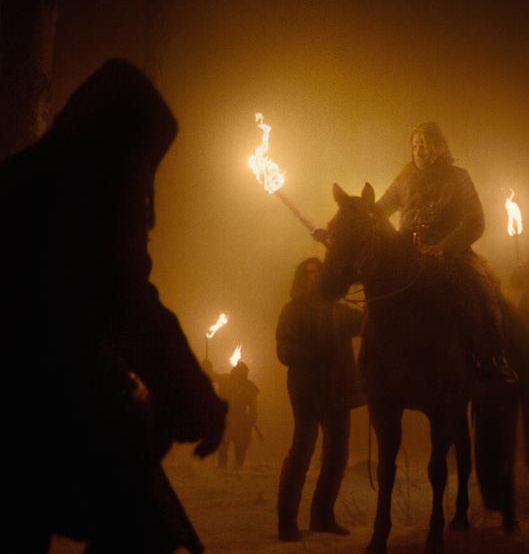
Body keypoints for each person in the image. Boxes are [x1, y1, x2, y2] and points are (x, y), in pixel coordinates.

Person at [3, 60, 227, 553]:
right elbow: (128, 302)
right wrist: (193, 396)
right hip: (42, 409)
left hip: (29, 409)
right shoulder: (96, 192)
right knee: (138, 526)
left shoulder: (22, 177)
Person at [375, 121, 516, 381]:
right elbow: (379, 210)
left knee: (483, 290)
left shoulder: (458, 177)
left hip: (452, 255)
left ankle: (494, 358)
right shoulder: (404, 177)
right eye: (415, 145)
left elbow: (474, 220)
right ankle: (374, 365)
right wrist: (347, 226)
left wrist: (445, 247)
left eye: (424, 144)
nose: (418, 151)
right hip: (408, 255)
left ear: (439, 147)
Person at [276, 257, 365, 542]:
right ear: (302, 278)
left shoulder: (338, 309)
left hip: (338, 390)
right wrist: (318, 350)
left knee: (337, 455)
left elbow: (366, 323)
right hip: (308, 391)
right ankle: (286, 523)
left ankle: (322, 516)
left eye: (319, 272)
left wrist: (373, 302)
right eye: (310, 273)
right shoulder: (293, 310)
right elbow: (285, 352)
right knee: (302, 453)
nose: (315, 277)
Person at [216, 361, 260, 470]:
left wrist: (252, 417)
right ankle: (223, 467)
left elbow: (253, 406)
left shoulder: (249, 387)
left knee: (240, 446)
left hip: (240, 419)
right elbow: (211, 376)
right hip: (226, 417)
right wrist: (207, 366)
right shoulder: (225, 380)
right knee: (224, 444)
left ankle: (237, 468)